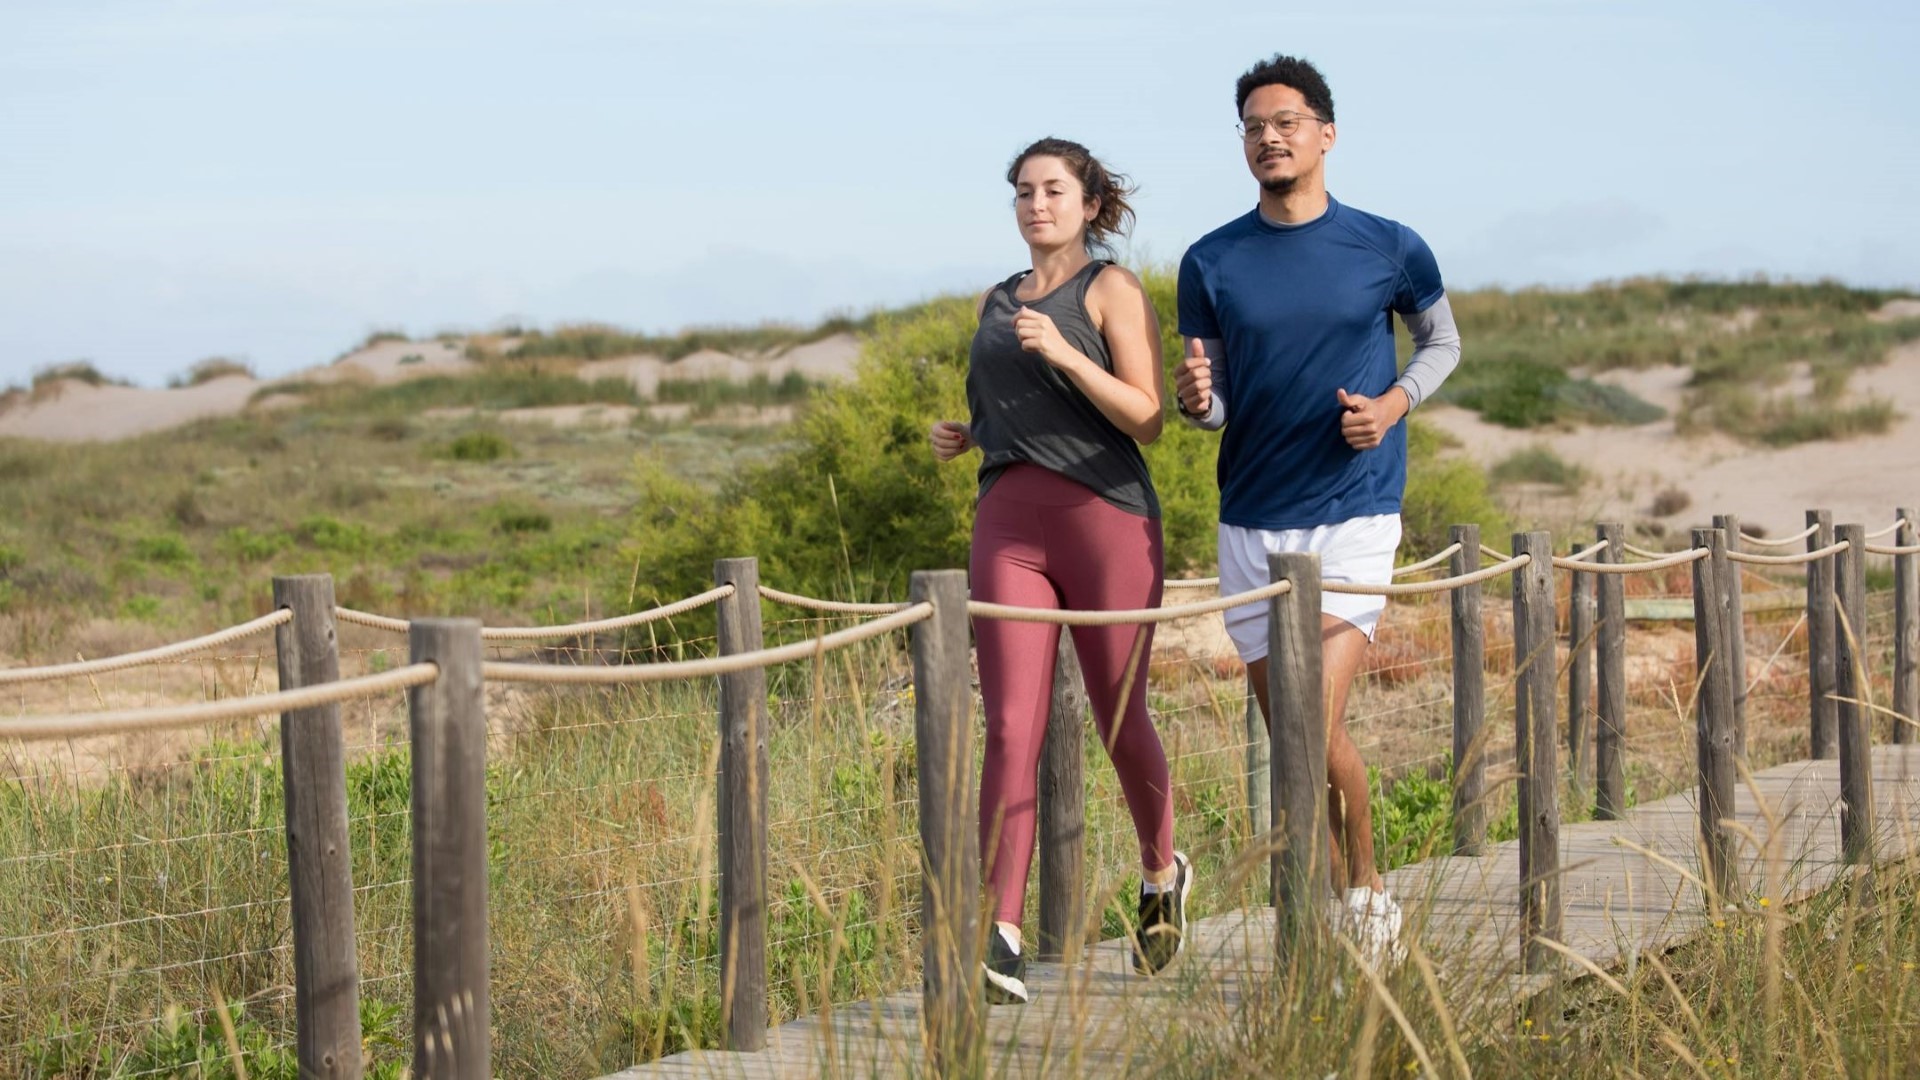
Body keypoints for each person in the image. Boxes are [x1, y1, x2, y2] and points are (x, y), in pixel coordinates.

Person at [1173, 55, 1463, 966]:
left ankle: (1365, 896)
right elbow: (1216, 400)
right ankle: (1347, 898)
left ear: (1325, 133)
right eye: (1254, 126)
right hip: (1250, 519)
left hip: (1353, 511)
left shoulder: (1388, 244)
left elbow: (1443, 341)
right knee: (1298, 732)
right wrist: (1195, 403)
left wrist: (1393, 406)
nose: (1269, 137)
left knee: (1306, 724)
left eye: (1286, 121)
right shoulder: (1209, 261)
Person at [929, 137, 1189, 1005]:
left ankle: (1160, 873)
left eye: (1052, 190)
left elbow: (1148, 416)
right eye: (1023, 192)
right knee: (1010, 725)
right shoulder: (994, 302)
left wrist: (1069, 354)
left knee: (1120, 717)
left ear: (1087, 204)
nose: (1035, 204)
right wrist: (965, 435)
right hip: (1008, 520)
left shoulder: (1110, 290)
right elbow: (1007, 407)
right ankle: (998, 935)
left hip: (1106, 517)